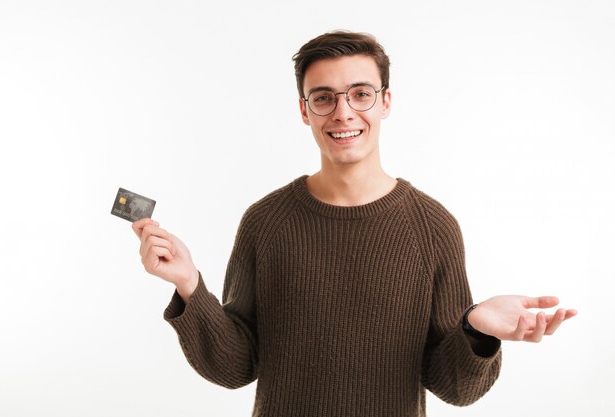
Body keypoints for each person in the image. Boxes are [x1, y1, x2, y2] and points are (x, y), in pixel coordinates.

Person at [132, 31, 577, 416]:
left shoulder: (432, 227)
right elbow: (236, 366)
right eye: (324, 97)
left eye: (360, 94)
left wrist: (475, 328)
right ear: (305, 111)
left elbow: (452, 386)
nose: (343, 113)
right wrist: (191, 285)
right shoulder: (265, 222)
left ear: (385, 102)